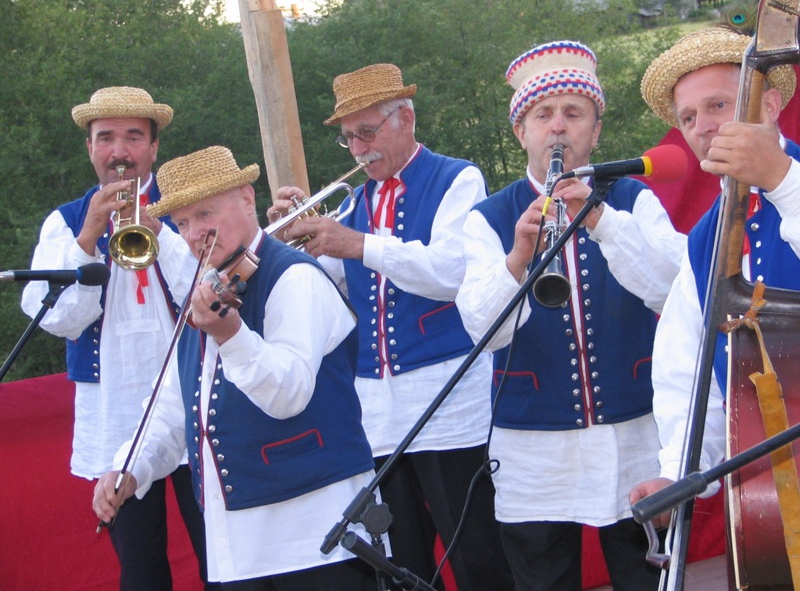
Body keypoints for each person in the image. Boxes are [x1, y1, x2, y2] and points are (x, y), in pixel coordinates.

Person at [269, 63, 513, 590]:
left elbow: (452, 271)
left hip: (448, 399)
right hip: (376, 410)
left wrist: (357, 244)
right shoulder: (354, 202)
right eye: (348, 138)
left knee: (474, 550)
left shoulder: (457, 178)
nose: (358, 149)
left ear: (406, 119)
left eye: (366, 132)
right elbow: (332, 289)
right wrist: (294, 245)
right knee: (400, 559)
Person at [454, 40, 686, 591]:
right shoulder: (488, 218)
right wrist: (517, 260)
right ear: (522, 132)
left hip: (633, 433)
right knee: (543, 579)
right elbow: (482, 332)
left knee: (645, 576)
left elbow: (673, 289)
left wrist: (602, 220)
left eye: (574, 113)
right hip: (534, 448)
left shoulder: (633, 200)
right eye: (543, 115)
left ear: (595, 132)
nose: (558, 126)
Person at [93, 145, 380, 589]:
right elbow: (174, 405)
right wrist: (131, 467)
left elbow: (289, 393)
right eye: (182, 223)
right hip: (237, 540)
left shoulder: (295, 276)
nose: (194, 234)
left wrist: (232, 336)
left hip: (316, 529)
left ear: (247, 199)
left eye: (205, 213)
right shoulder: (204, 288)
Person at [20, 86, 208, 590]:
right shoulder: (64, 223)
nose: (119, 152)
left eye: (133, 137)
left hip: (192, 401)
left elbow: (209, 292)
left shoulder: (187, 209)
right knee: (141, 569)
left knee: (220, 556)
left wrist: (162, 233)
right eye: (105, 138)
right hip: (114, 413)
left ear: (154, 148)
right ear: (90, 148)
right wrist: (87, 238)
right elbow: (58, 320)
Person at [630, 26, 800, 526]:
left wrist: (782, 181)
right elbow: (687, 373)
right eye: (688, 117)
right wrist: (677, 472)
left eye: (718, 105)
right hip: (773, 499)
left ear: (769, 105)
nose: (702, 126)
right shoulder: (704, 240)